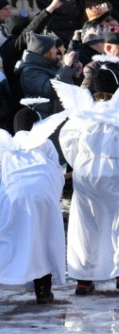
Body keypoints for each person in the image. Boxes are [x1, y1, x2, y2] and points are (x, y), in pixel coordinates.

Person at [57, 71, 119, 294]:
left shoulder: (81, 113)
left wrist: (80, 161)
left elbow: (67, 138)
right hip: (115, 168)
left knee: (86, 223)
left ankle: (84, 277)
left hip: (86, 170)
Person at [0, 106, 67, 304]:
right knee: (43, 240)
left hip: (12, 194)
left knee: (9, 239)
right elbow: (56, 170)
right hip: (42, 194)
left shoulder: (6, 146)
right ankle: (43, 290)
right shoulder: (44, 142)